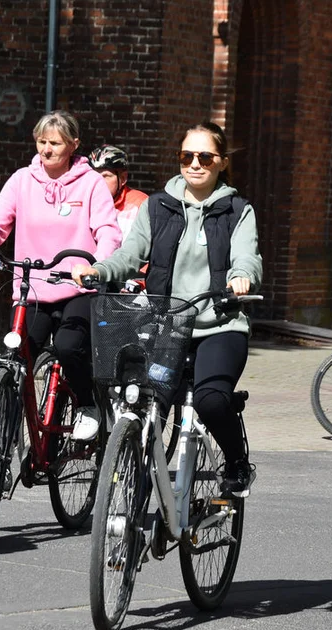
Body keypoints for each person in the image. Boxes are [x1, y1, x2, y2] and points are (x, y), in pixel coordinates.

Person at [72, 121, 263, 498]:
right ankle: (134, 482)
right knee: (143, 401)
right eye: (186, 156)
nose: (195, 163)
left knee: (210, 400)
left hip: (218, 325)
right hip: (166, 323)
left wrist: (241, 277)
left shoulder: (238, 210)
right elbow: (130, 254)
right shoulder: (157, 206)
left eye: (205, 157)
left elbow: (247, 257)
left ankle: (237, 461)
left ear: (222, 162)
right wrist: (99, 269)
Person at [0, 111, 121, 441]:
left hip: (78, 288)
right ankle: (1, 445)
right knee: (15, 358)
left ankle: (87, 405)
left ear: (74, 145)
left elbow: (108, 231)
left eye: (55, 143)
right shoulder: (22, 180)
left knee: (67, 347)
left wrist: (97, 266)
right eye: (41, 142)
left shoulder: (90, 182)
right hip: (32, 289)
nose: (46, 149)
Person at [87, 144, 148, 236]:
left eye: (106, 176)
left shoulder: (141, 204)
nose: (98, 182)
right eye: (94, 176)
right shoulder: (81, 201)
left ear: (123, 178)